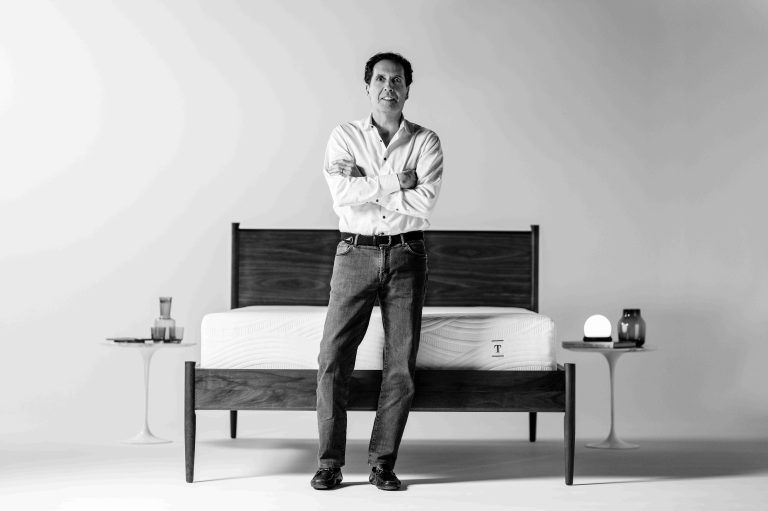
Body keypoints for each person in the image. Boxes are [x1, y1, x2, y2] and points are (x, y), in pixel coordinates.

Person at [311, 52, 444, 491]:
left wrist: (366, 182)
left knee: (401, 364)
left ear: (408, 88)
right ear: (368, 86)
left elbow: (423, 204)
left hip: (408, 253)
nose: (390, 87)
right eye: (382, 79)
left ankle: (382, 464)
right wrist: (396, 181)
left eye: (398, 80)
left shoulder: (426, 142)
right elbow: (341, 195)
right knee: (333, 358)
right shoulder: (344, 136)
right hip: (354, 252)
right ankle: (329, 463)